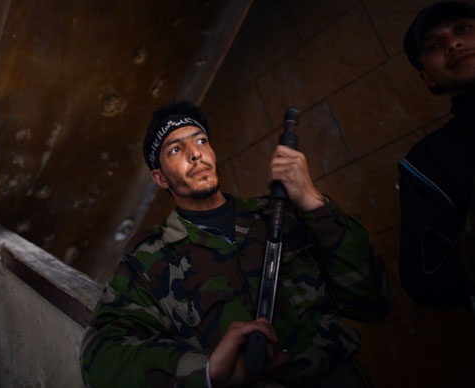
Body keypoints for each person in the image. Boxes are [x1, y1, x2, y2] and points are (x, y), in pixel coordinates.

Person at [79, 101, 392, 387]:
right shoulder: (150, 260)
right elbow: (101, 357)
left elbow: (373, 301)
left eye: (201, 141)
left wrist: (313, 202)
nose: (195, 153)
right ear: (160, 178)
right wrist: (206, 369)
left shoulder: (281, 215)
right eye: (176, 149)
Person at [399, 1, 475, 311]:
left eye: (463, 29)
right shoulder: (426, 163)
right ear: (427, 77)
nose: (453, 44)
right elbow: (424, 281)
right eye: (433, 44)